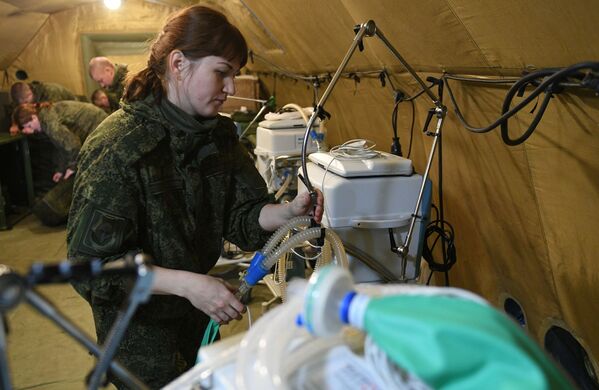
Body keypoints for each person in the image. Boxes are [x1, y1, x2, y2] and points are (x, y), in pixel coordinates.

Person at [67, 5, 323, 389]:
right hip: (140, 338)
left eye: (234, 75)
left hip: (196, 321)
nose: (232, 88)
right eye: (222, 72)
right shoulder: (119, 146)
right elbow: (92, 268)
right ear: (178, 63)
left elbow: (242, 215)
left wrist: (287, 211)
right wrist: (189, 285)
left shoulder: (217, 136)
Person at [12, 101, 107, 225]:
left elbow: (73, 144)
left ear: (34, 118)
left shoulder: (48, 121)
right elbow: (61, 146)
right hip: (96, 128)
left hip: (100, 128)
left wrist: (72, 167)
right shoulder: (45, 116)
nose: (30, 131)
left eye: (28, 126)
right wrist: (60, 170)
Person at [9, 81, 77, 135]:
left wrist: (33, 129)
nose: (25, 106)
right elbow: (16, 110)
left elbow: (53, 122)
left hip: (74, 118)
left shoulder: (50, 93)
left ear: (29, 94)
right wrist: (14, 124)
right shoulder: (22, 96)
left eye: (26, 102)